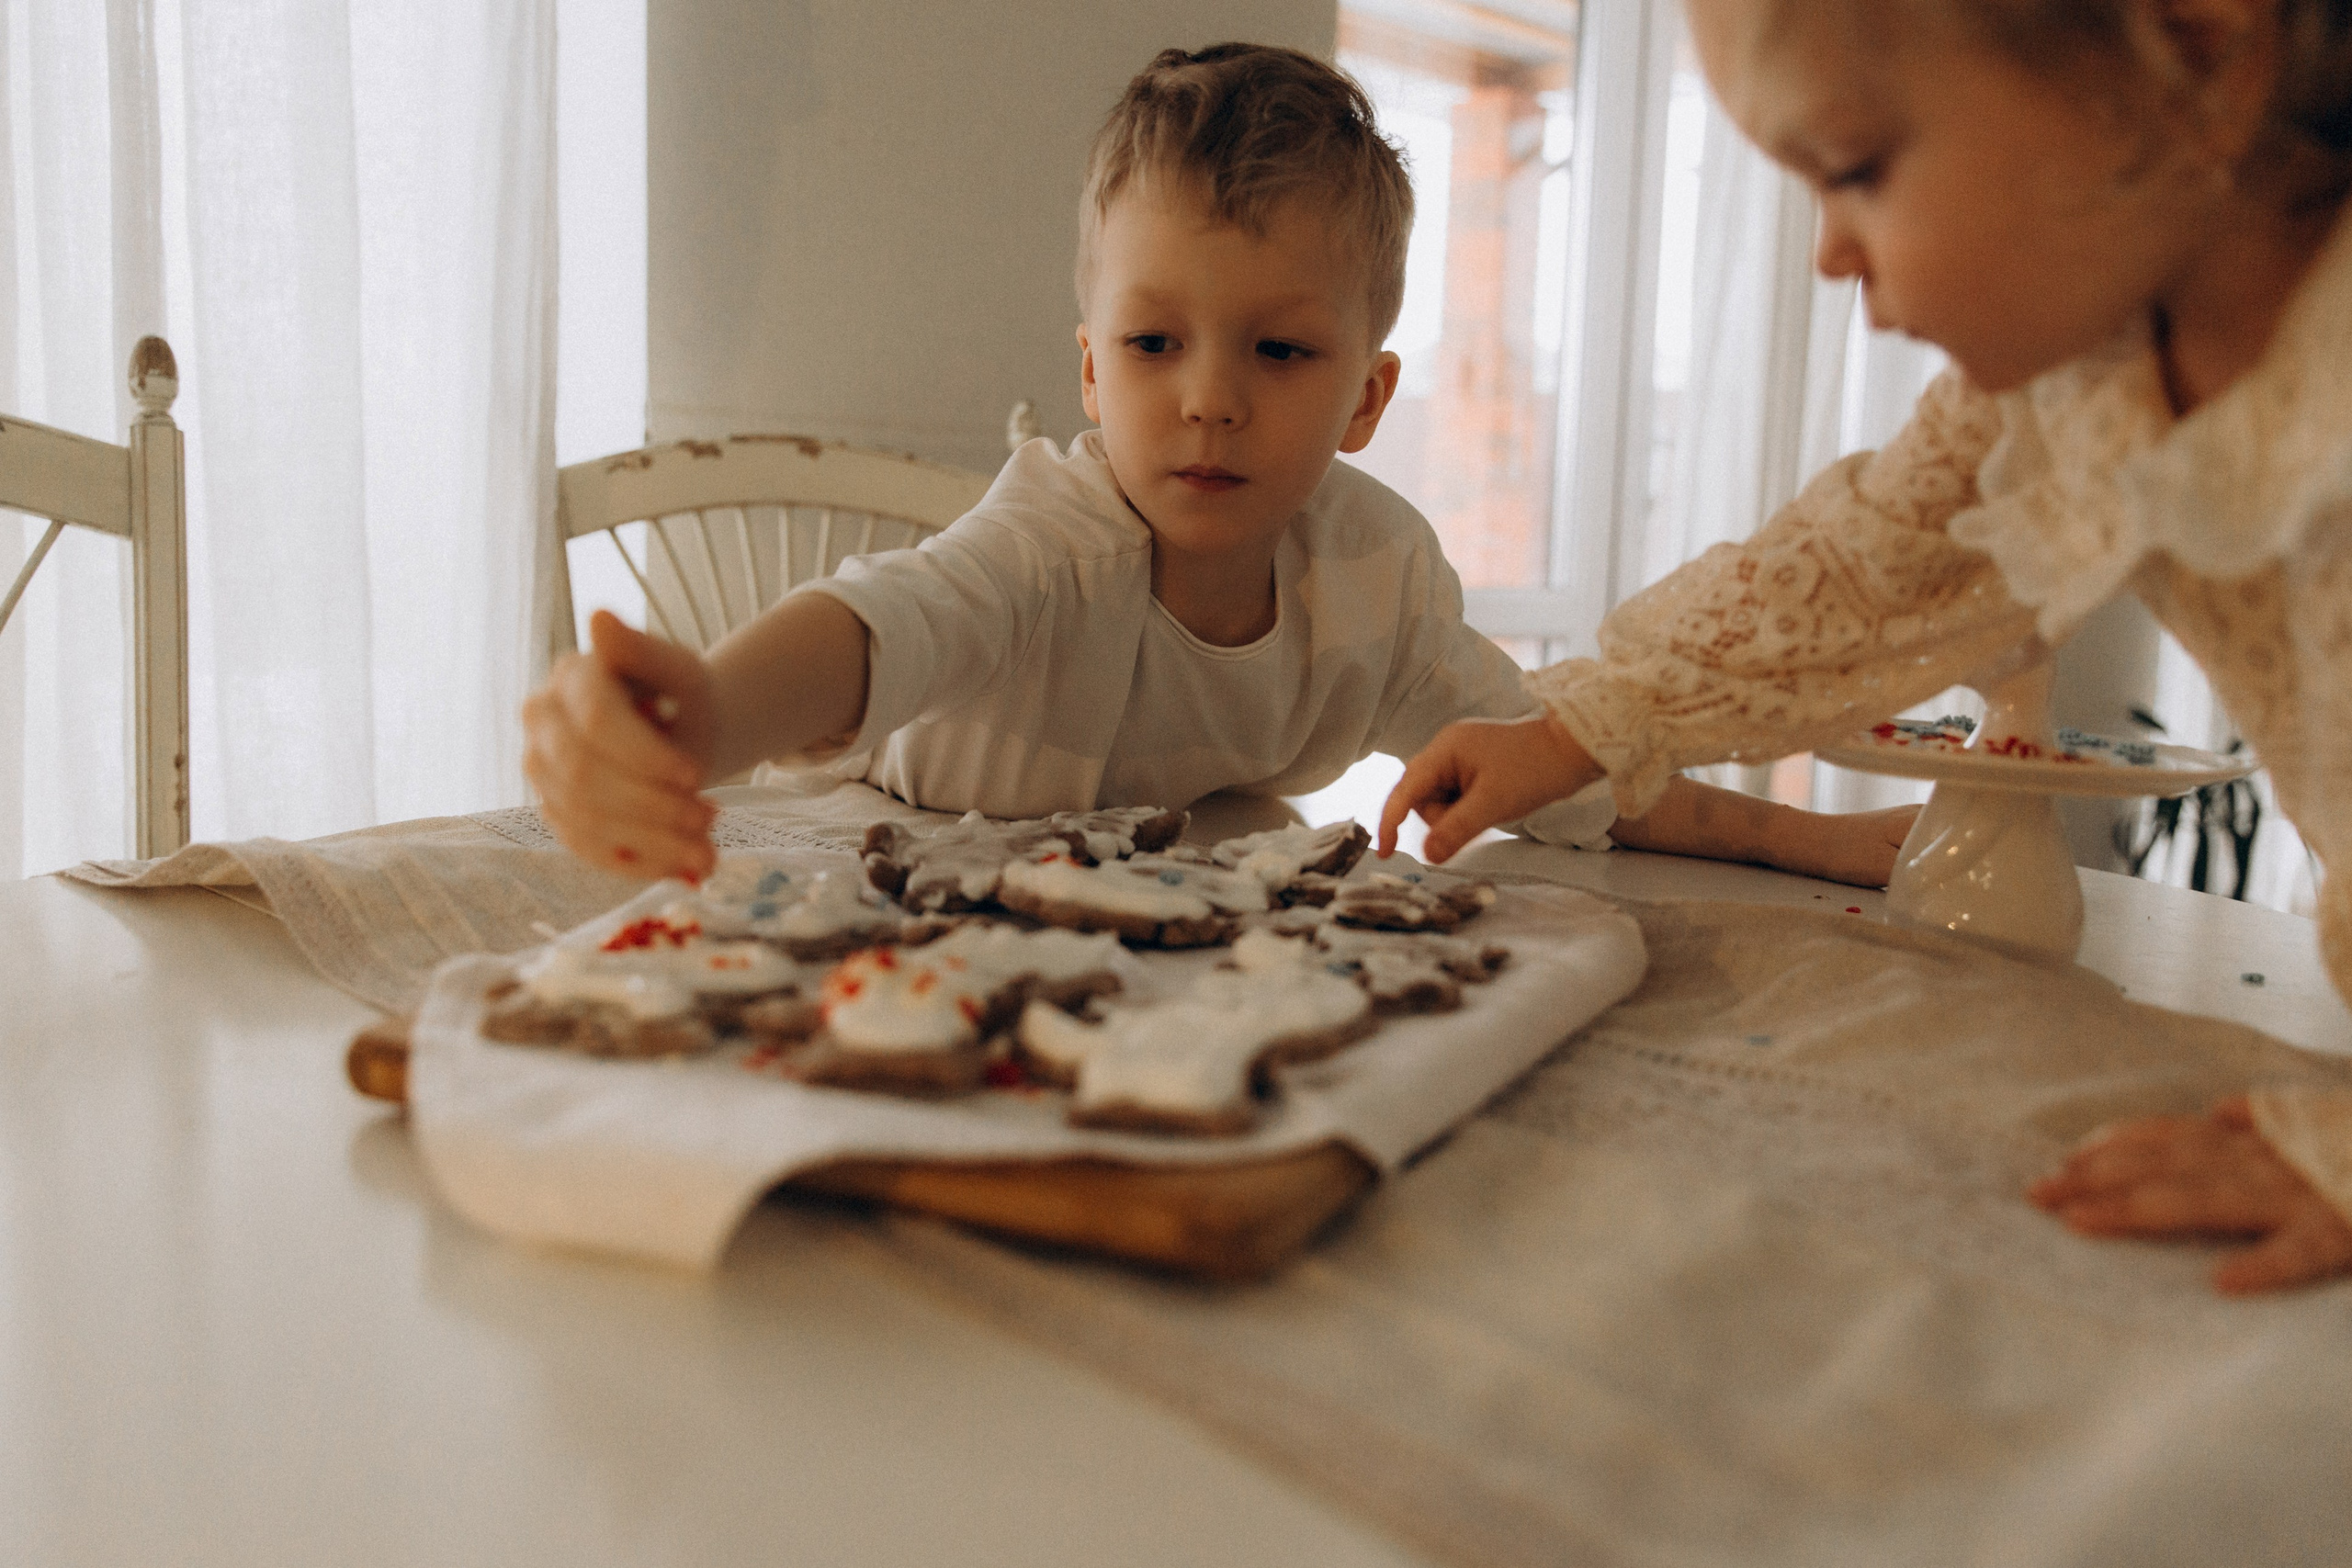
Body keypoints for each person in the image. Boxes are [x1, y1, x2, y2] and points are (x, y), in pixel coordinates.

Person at [1379, 0, 2352, 1292]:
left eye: (1854, 171)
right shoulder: (2074, 381)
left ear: (2197, 47)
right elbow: (1851, 571)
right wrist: (1576, 728)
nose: (1828, 253)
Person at [524, 43, 1916, 892]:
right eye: (1151, 342)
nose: (1208, 402)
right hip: (889, 849)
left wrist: (1832, 846)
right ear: (1088, 372)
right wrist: (707, 713)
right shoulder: (1053, 542)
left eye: (1280, 353)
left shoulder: (1377, 579)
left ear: (1368, 397)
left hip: (1145, 907)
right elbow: (886, 622)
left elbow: (1563, 764)